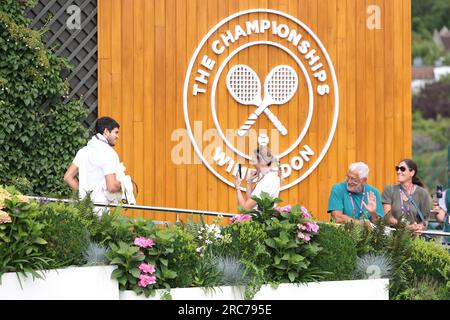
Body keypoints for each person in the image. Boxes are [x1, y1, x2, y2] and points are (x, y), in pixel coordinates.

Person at [64, 117, 122, 215]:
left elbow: (67, 177)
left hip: (82, 209)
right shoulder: (109, 153)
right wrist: (124, 185)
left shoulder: (83, 151)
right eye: (116, 132)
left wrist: (85, 196)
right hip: (100, 213)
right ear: (106, 131)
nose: (118, 136)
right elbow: (112, 186)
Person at [382, 159, 431, 232]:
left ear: (412, 173)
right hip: (393, 237)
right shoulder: (389, 189)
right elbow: (388, 218)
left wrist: (419, 227)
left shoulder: (423, 193)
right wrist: (406, 227)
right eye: (397, 169)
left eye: (402, 169)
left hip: (415, 238)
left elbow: (425, 220)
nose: (398, 172)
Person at [234, 145, 281, 210]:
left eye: (254, 160)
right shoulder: (268, 177)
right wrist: (249, 182)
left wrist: (237, 187)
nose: (252, 163)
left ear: (263, 162)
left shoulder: (268, 181)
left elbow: (245, 209)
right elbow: (250, 201)